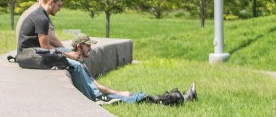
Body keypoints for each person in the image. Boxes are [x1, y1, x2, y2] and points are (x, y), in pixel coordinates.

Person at [67, 33, 196, 106]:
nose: (90, 48)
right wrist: (120, 94)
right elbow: (96, 88)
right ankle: (183, 98)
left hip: (103, 96)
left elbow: (96, 85)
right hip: (100, 99)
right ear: (79, 46)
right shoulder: (77, 65)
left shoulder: (81, 65)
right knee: (142, 99)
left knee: (138, 95)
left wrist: (119, 92)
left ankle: (183, 97)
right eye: (88, 46)